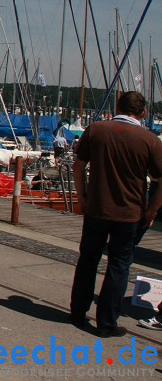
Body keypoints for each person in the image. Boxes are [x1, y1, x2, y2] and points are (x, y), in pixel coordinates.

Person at [69, 91, 162, 337]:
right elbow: (160, 180)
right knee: (119, 265)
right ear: (143, 113)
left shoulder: (96, 130)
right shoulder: (150, 140)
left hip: (97, 207)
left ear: (117, 107)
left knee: (88, 259)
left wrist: (82, 196)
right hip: (130, 212)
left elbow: (79, 165)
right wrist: (151, 210)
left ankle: (78, 312)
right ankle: (107, 323)